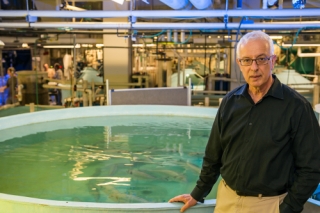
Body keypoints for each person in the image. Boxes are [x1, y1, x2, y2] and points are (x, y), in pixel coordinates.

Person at [169, 30, 320, 213]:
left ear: (273, 61)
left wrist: (288, 208)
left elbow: (312, 168)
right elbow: (213, 154)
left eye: (261, 59)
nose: (254, 67)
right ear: (239, 64)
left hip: (269, 205)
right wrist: (198, 192)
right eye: (247, 60)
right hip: (227, 200)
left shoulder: (297, 107)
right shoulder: (230, 102)